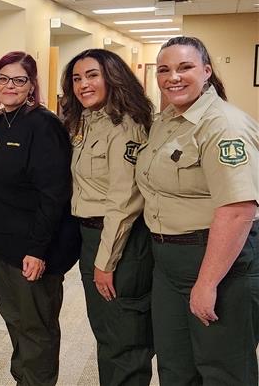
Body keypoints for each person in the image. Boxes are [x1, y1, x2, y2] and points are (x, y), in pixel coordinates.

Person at [135, 36, 259, 385]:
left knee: (223, 370)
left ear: (206, 71)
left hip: (217, 261)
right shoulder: (166, 121)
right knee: (175, 367)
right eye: (164, 70)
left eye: (184, 67)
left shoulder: (224, 125)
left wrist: (207, 283)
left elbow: (238, 210)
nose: (173, 77)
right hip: (168, 262)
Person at [0, 51, 78, 386]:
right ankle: (23, 379)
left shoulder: (44, 125)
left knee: (37, 327)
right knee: (15, 319)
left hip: (31, 249)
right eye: (3, 78)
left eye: (19, 80)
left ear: (31, 85)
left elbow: (54, 194)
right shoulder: (1, 120)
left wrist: (37, 250)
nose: (10, 85)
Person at [61, 48, 155, 386]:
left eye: (92, 75)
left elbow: (124, 201)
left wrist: (106, 261)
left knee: (126, 338)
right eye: (76, 78)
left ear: (112, 78)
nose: (83, 84)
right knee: (106, 331)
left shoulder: (126, 126)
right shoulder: (86, 122)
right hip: (91, 236)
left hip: (120, 240)